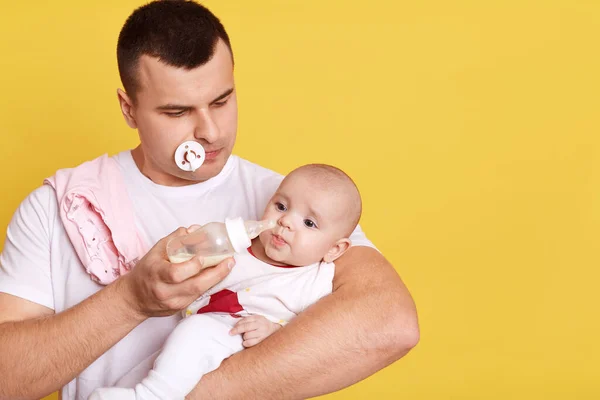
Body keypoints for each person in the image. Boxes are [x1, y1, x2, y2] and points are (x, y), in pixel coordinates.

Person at [0, 1, 419, 399]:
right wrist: (129, 300)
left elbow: (390, 323)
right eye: (177, 112)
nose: (211, 132)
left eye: (222, 101)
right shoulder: (62, 206)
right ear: (129, 109)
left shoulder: (296, 202)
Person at [91, 163, 364, 400]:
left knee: (194, 336)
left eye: (309, 223)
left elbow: (317, 336)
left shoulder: (315, 280)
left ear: (335, 249)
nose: (285, 221)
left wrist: (276, 333)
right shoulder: (237, 244)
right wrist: (192, 248)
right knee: (160, 362)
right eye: (281, 206)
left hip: (243, 342)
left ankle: (152, 396)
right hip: (198, 335)